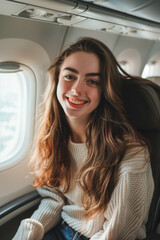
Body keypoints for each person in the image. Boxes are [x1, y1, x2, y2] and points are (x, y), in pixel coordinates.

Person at [13, 37, 157, 240]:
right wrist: (31, 230)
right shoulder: (54, 136)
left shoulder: (131, 151)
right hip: (62, 229)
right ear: (57, 79)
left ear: (104, 90)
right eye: (70, 76)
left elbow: (119, 233)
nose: (76, 89)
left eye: (92, 81)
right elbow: (54, 200)